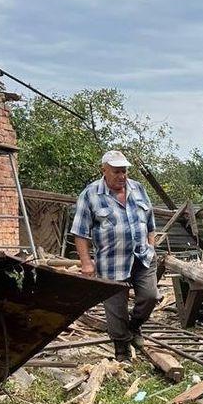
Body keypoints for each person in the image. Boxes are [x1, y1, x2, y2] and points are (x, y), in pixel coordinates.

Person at [71, 150, 159, 362]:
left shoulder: (138, 188)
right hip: (111, 262)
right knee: (116, 309)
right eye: (117, 171)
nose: (122, 176)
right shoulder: (91, 194)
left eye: (125, 171)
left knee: (150, 296)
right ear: (104, 170)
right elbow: (80, 233)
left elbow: (150, 224)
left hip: (142, 257)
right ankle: (122, 352)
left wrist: (151, 246)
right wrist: (86, 263)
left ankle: (134, 326)